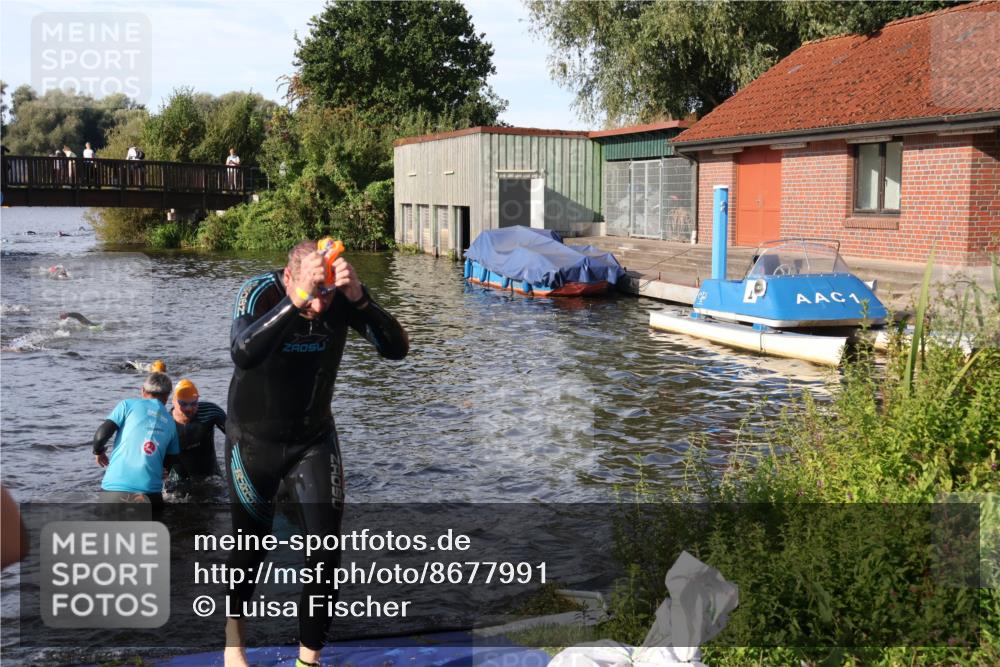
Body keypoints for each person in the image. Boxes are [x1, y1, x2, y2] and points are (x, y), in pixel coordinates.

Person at [224, 240, 409, 667]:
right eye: (313, 292)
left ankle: (309, 659)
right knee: (249, 549)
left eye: (327, 293)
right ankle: (235, 646)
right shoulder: (259, 293)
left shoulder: (341, 298)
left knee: (325, 552)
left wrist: (360, 298)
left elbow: (397, 349)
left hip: (312, 439)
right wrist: (297, 301)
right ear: (289, 277)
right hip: (253, 443)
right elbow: (242, 352)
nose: (321, 306)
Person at [92, 372, 180, 512]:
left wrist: (98, 451)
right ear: (167, 396)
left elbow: (100, 436)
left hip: (113, 491)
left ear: (143, 391)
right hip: (150, 496)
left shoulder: (127, 405)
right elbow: (172, 459)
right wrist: (164, 469)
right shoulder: (171, 422)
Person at [166, 378, 227, 492]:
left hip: (211, 477)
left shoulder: (211, 412)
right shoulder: (165, 423)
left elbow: (235, 435)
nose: (189, 408)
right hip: (179, 481)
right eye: (183, 403)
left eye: (194, 403)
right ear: (173, 401)